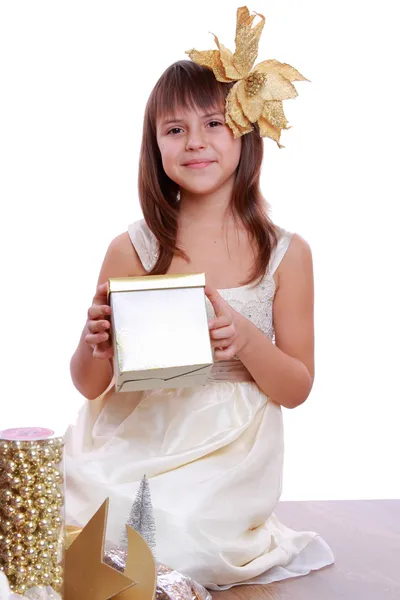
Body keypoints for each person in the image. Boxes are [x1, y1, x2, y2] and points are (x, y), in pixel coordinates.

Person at [65, 7, 334, 589]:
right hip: (141, 428)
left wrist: (247, 339)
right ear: (155, 146)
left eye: (213, 123)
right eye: (174, 129)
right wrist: (94, 344)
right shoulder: (131, 248)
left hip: (226, 447)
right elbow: (90, 385)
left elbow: (298, 386)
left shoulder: (286, 254)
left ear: (246, 129)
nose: (195, 142)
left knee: (179, 529)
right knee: (90, 513)